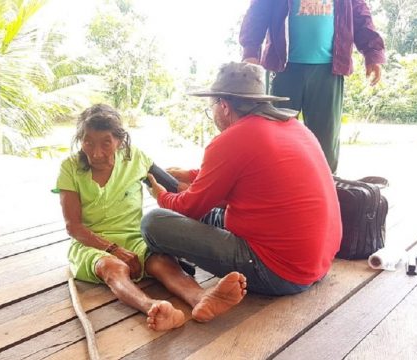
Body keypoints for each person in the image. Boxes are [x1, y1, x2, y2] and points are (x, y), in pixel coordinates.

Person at [142, 62, 342, 296]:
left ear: (224, 106)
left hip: (279, 272)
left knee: (153, 222)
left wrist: (161, 196)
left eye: (212, 108)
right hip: (317, 264)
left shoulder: (233, 139)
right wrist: (191, 175)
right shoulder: (294, 127)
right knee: (213, 213)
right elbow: (244, 172)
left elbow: (189, 208)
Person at [56, 104, 247, 331]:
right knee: (113, 268)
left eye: (105, 143)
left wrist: (224, 198)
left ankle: (200, 298)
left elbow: (175, 187)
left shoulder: (135, 158)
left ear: (120, 141)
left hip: (133, 236)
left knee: (161, 261)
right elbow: (74, 227)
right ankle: (153, 307)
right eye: (88, 142)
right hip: (91, 243)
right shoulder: (70, 168)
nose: (96, 153)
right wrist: (113, 249)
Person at [239, 0, 386, 173]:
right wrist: (250, 51)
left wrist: (373, 53)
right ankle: (276, 189)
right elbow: (259, 10)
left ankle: (326, 190)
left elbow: (360, 15)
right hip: (283, 68)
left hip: (329, 70)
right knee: (275, 137)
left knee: (325, 140)